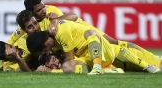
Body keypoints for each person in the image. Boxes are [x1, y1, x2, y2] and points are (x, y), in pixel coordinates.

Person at [26, 20, 161, 75]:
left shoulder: (60, 31)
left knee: (90, 34)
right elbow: (68, 63)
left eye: (45, 50)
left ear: (46, 44)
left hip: (107, 52)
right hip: (94, 59)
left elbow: (69, 57)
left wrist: (54, 70)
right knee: (68, 67)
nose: (48, 52)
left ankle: (98, 68)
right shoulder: (50, 41)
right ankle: (109, 71)